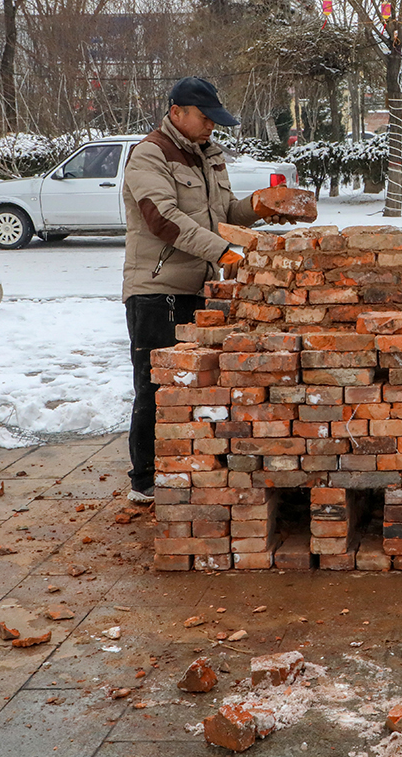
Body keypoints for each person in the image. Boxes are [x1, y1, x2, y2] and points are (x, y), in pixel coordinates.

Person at [121, 77, 286, 503]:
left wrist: (261, 206)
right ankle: (145, 480)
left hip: (203, 290)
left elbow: (224, 213)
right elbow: (164, 219)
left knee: (197, 387)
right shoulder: (149, 155)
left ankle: (187, 468)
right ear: (177, 112)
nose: (213, 126)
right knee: (157, 386)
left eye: (216, 119)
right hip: (158, 291)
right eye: (205, 117)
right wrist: (225, 252)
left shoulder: (210, 155)